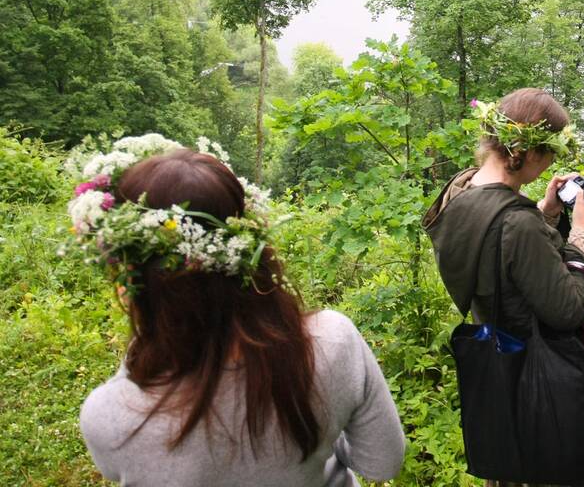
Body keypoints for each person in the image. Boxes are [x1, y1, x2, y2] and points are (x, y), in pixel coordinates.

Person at [73, 145, 405, 487]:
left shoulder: (111, 416)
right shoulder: (333, 342)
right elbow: (382, 463)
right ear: (250, 243)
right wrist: (318, 429)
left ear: (132, 274)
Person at [422, 88, 584, 484]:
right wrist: (580, 232)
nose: (551, 165)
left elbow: (497, 255)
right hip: (535, 380)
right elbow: (569, 309)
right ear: (530, 153)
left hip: (496, 367)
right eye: (551, 153)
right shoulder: (517, 222)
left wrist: (544, 213)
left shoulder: (459, 190)